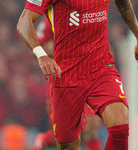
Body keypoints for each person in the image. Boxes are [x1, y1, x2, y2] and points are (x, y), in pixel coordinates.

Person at [17, 0, 138, 149]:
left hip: (101, 68)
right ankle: (44, 140)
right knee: (67, 144)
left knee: (120, 128)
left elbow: (123, 3)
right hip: (66, 76)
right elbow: (24, 21)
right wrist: (42, 55)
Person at [33, 17, 102, 150]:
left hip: (86, 78)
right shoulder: (52, 18)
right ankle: (43, 140)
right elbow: (35, 45)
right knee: (65, 136)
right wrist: (55, 54)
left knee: (91, 128)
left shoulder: (90, 13)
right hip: (61, 81)